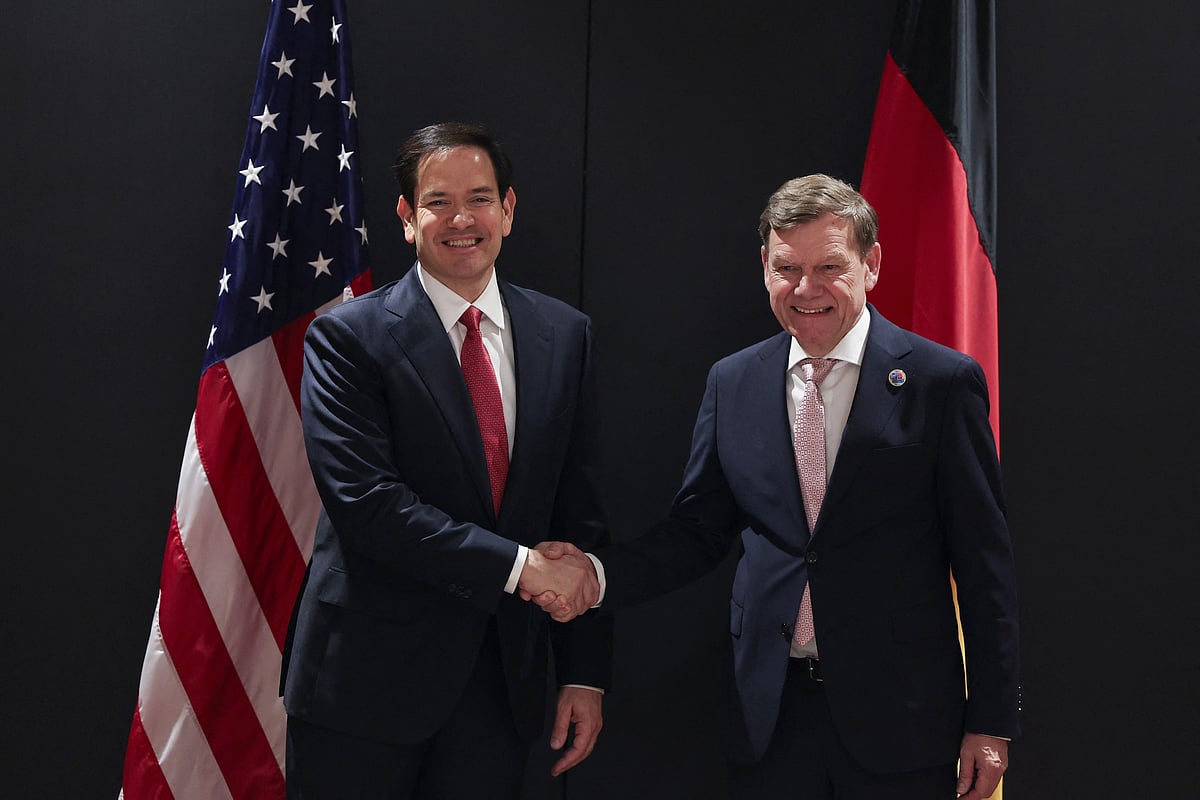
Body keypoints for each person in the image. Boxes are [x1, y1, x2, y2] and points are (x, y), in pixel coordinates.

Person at [535, 175, 1019, 799]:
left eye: (829, 267)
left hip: (901, 719)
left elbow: (985, 566)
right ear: (764, 266)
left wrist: (991, 720)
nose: (806, 289)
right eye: (787, 267)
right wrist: (595, 577)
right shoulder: (733, 382)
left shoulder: (940, 383)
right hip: (768, 716)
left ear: (871, 264)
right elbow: (697, 532)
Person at [282, 122, 608, 799]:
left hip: (499, 691)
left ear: (509, 210)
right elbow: (369, 507)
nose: (462, 219)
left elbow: (576, 510)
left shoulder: (564, 334)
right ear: (407, 218)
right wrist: (524, 569)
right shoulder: (347, 338)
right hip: (363, 691)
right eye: (438, 202)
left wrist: (583, 671)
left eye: (481, 198)